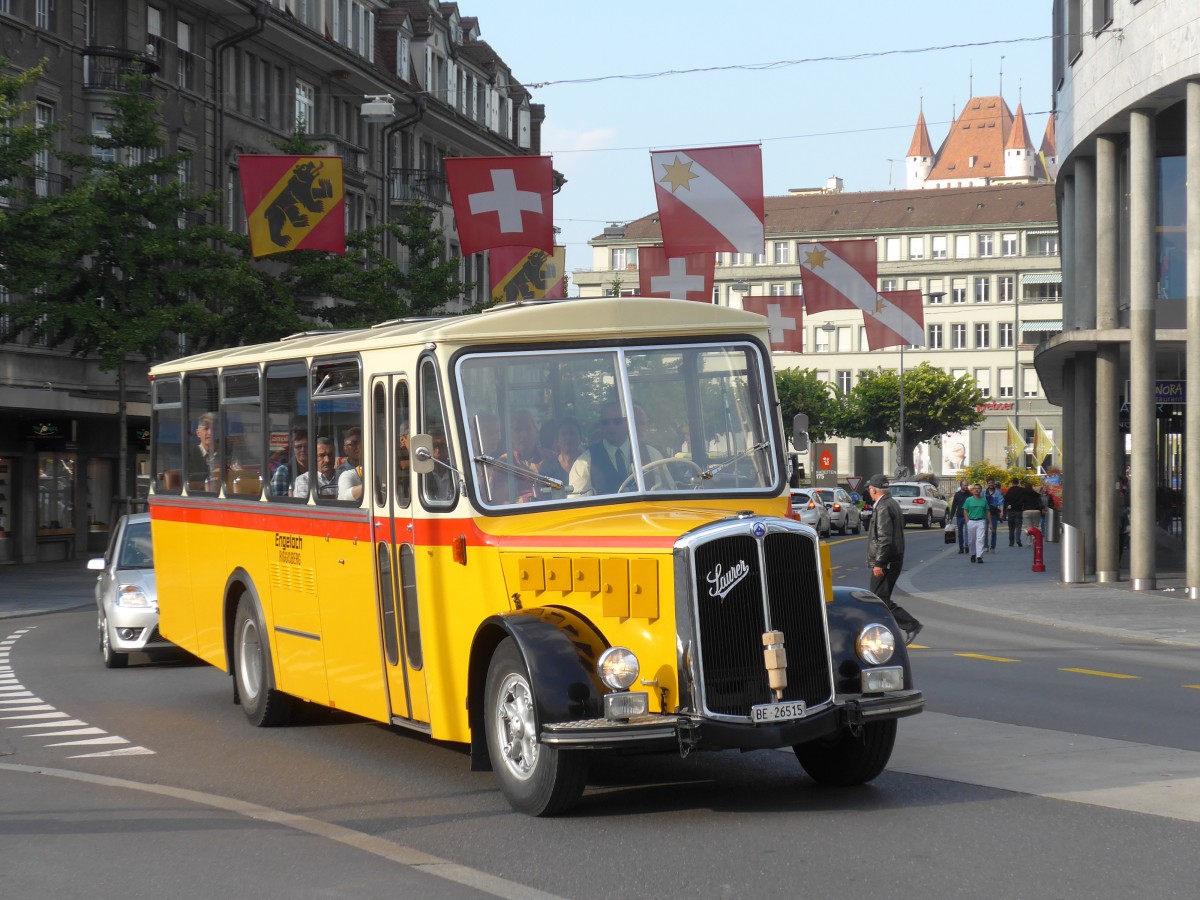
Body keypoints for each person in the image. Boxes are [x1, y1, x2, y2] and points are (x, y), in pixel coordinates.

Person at [864, 474, 922, 644]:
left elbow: (885, 537)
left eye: (870, 488)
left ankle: (910, 625)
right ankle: (884, 635)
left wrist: (879, 563)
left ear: (874, 490)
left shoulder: (883, 507)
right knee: (880, 599)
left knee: (877, 600)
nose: (869, 491)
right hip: (893, 559)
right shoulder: (891, 503)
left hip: (887, 561)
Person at [569, 401, 666, 496]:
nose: (611, 426)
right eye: (605, 422)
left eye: (617, 421)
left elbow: (667, 490)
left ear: (628, 423)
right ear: (600, 425)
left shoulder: (652, 454)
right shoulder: (585, 462)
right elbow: (576, 503)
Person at [270, 425, 308, 497]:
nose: (302, 450)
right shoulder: (283, 471)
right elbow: (279, 502)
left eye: (306, 446)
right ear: (293, 449)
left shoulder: (317, 469)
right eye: (298, 447)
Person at [187, 412, 219, 490]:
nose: (210, 432)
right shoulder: (189, 455)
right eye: (206, 428)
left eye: (213, 429)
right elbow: (189, 484)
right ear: (198, 433)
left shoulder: (224, 454)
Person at [962, 483, 990, 563]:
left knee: (980, 539)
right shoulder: (969, 500)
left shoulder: (983, 500)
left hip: (981, 521)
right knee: (971, 540)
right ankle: (973, 554)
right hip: (971, 521)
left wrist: (990, 522)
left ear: (981, 490)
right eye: (975, 488)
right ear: (973, 490)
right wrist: (967, 520)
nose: (976, 490)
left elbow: (987, 511)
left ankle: (979, 556)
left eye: (978, 488)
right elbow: (965, 510)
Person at [948, 479, 971, 554]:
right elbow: (954, 506)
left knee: (968, 531)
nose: (966, 486)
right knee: (960, 532)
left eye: (967, 485)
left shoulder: (970, 495)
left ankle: (967, 546)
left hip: (968, 516)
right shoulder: (957, 495)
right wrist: (951, 517)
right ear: (961, 486)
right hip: (960, 516)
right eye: (965, 485)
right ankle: (961, 548)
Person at [1002, 478, 1027, 546]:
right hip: (1018, 510)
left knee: (1011, 527)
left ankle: (1011, 542)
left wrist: (1004, 511)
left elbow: (1005, 500)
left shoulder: (1010, 490)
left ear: (1012, 483)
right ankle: (1018, 539)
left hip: (1010, 511)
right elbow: (1024, 499)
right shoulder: (1022, 490)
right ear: (1018, 482)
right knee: (1018, 526)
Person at [983, 478, 1005, 553]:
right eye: (989, 483)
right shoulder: (983, 493)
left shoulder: (997, 493)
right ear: (987, 484)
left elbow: (1001, 502)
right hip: (985, 514)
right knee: (985, 530)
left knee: (993, 531)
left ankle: (993, 547)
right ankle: (986, 546)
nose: (990, 484)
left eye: (992, 483)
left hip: (994, 514)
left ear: (994, 483)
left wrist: (1002, 512)